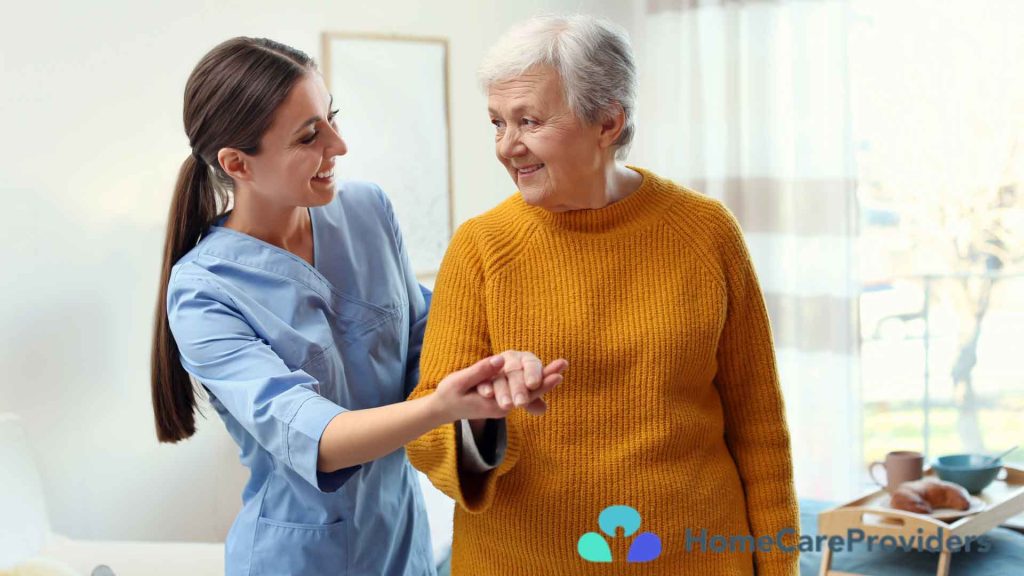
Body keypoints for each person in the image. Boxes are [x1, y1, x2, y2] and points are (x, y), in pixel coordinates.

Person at [148, 37, 564, 576]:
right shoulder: (204, 290)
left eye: (331, 117)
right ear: (237, 164)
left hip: (404, 543)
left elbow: (424, 345)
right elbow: (315, 439)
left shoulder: (367, 210)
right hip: (299, 560)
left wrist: (487, 377)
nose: (338, 145)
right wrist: (443, 407)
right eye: (308, 136)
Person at [406, 15, 800, 575]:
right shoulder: (481, 247)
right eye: (497, 123)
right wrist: (480, 414)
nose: (507, 146)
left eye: (529, 121)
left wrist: (779, 567)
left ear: (608, 121)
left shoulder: (706, 231)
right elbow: (426, 433)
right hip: (522, 561)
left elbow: (759, 427)